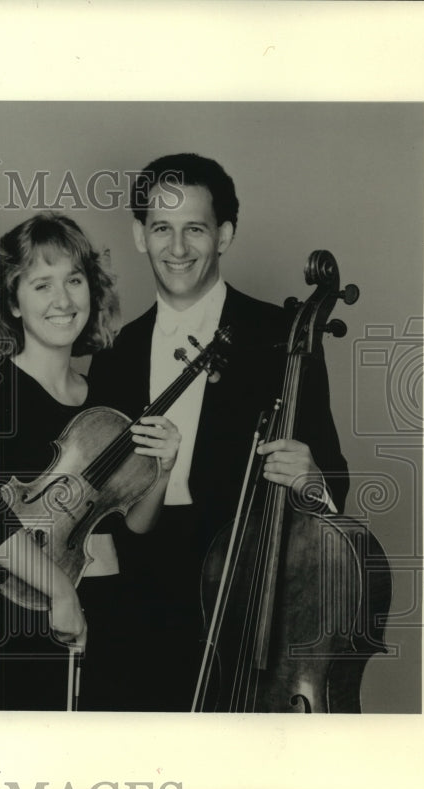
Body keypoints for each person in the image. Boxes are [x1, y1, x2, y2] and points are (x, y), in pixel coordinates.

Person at [87, 153, 349, 711]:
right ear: (140, 235)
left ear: (224, 234)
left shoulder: (281, 336)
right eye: (161, 228)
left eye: (195, 229)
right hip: (139, 603)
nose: (177, 248)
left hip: (245, 593)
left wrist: (311, 478)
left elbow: (333, 481)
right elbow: (101, 504)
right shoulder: (115, 355)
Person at [0, 213, 181, 710]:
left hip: (114, 604)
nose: (63, 300)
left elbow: (133, 524)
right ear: (13, 301)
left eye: (75, 280)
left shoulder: (109, 397)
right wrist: (61, 594)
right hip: (24, 608)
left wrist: (162, 471)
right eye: (42, 284)